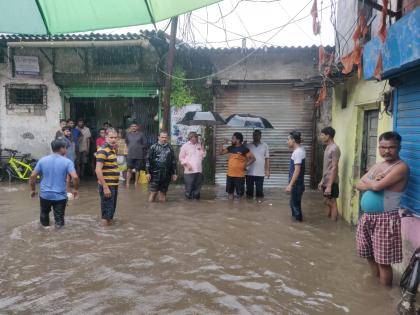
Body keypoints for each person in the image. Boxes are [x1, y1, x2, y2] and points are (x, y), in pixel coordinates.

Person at [355, 131, 409, 286]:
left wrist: (371, 182)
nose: (386, 151)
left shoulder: (401, 167)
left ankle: (384, 296)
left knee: (383, 262)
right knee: (369, 255)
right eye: (383, 147)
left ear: (399, 147)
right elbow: (358, 184)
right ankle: (374, 286)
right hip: (367, 217)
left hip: (386, 219)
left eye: (391, 147)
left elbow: (377, 187)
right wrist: (372, 182)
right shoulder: (378, 165)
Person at [29, 139, 79, 228]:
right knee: (59, 220)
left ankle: (45, 233)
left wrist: (33, 190)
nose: (66, 150)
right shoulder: (67, 162)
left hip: (45, 195)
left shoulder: (42, 160)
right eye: (65, 148)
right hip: (60, 196)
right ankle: (58, 238)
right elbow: (75, 177)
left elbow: (32, 176)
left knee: (44, 214)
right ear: (62, 149)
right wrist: (75, 189)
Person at [220, 132, 256, 200]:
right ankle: (230, 208)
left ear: (238, 140)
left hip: (239, 176)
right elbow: (221, 153)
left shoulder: (244, 149)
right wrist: (222, 144)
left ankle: (241, 209)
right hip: (230, 175)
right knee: (230, 194)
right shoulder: (230, 148)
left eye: (233, 138)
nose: (231, 140)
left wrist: (245, 165)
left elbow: (253, 159)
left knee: (240, 195)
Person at [95, 128, 120, 226]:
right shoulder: (102, 150)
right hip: (107, 186)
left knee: (110, 212)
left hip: (113, 185)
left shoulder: (112, 149)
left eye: (115, 137)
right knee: (106, 214)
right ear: (106, 137)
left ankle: (109, 234)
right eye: (111, 137)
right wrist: (105, 187)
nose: (113, 140)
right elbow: (98, 170)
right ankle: (104, 234)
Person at [146, 131, 177, 202]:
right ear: (158, 137)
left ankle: (162, 210)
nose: (164, 139)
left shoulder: (170, 148)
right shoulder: (153, 147)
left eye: (165, 137)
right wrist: (147, 172)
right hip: (155, 174)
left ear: (168, 138)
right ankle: (150, 209)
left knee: (163, 193)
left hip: (166, 174)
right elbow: (148, 160)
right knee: (153, 193)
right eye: (162, 137)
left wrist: (174, 173)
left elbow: (173, 161)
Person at [318, 126, 341, 221]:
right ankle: (329, 223)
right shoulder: (328, 147)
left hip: (332, 181)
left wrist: (330, 186)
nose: (320, 137)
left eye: (322, 135)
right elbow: (327, 167)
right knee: (327, 202)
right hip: (326, 179)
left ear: (328, 136)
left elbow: (334, 167)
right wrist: (322, 180)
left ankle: (333, 225)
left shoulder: (334, 148)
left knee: (332, 202)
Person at [179, 132, 206, 200]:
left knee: (197, 191)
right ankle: (189, 206)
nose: (195, 139)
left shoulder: (200, 145)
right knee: (189, 190)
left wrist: (203, 147)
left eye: (196, 137)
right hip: (189, 171)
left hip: (199, 171)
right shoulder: (185, 146)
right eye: (194, 137)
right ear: (190, 138)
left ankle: (196, 206)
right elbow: (181, 158)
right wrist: (187, 164)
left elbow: (203, 156)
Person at [286, 131, 306, 222]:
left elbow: (297, 170)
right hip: (298, 184)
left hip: (296, 184)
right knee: (294, 205)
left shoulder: (297, 152)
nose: (287, 142)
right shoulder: (301, 150)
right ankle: (295, 227)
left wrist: (290, 185)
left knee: (295, 207)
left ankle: (298, 227)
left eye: (288, 139)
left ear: (293, 140)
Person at [246, 130, 270, 198]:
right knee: (249, 192)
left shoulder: (265, 145)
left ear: (260, 136)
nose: (255, 136)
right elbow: (243, 157)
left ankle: (259, 207)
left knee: (259, 192)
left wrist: (267, 170)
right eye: (254, 135)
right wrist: (243, 145)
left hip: (260, 173)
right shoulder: (248, 145)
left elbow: (267, 158)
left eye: (257, 135)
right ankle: (249, 207)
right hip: (249, 172)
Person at [125, 122, 148, 187]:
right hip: (130, 154)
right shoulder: (128, 134)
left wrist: (140, 148)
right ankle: (127, 183)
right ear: (130, 127)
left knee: (137, 169)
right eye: (132, 126)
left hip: (139, 155)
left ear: (137, 127)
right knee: (129, 169)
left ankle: (136, 183)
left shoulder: (141, 134)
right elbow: (126, 142)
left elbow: (145, 144)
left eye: (135, 126)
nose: (133, 127)